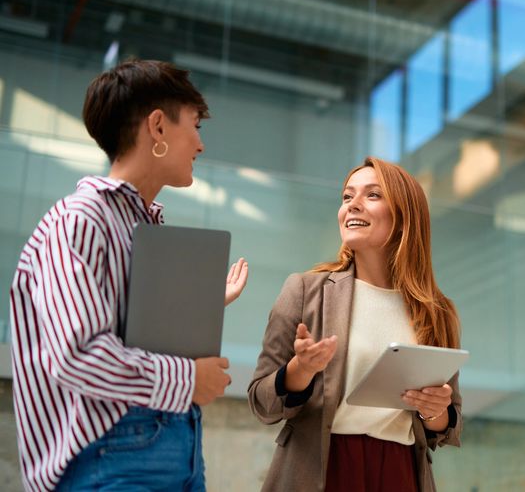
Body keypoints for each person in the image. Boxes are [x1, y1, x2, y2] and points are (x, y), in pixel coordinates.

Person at [8, 59, 248, 492]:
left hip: (176, 443)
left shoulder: (140, 228)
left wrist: (200, 307)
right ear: (158, 127)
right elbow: (77, 355)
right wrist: (189, 379)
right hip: (114, 454)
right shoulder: (79, 219)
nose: (200, 145)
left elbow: (127, 333)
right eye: (195, 126)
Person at [248, 156, 462, 492]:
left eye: (372, 195)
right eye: (347, 197)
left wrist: (435, 410)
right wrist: (300, 371)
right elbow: (262, 402)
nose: (353, 206)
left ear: (405, 218)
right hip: (322, 468)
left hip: (401, 471)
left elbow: (447, 424)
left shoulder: (437, 311)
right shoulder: (304, 290)